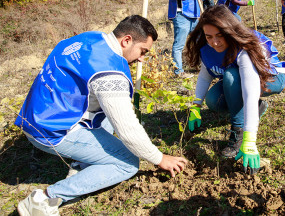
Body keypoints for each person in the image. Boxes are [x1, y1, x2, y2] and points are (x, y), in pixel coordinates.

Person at [15, 15, 188, 216]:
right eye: (143, 51)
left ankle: (82, 164)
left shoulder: (90, 38)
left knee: (109, 111)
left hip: (37, 113)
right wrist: (159, 158)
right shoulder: (109, 73)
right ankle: (44, 199)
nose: (142, 58)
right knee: (127, 162)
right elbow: (128, 129)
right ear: (127, 41)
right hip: (52, 131)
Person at [185, 5, 285, 174]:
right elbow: (205, 75)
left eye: (220, 35)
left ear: (229, 31)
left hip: (271, 78)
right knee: (213, 100)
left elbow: (250, 92)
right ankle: (257, 108)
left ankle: (238, 133)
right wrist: (196, 105)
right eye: (209, 36)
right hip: (238, 77)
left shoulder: (243, 49)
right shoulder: (207, 47)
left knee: (232, 76)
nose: (214, 42)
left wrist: (250, 139)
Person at [168, 0, 209, 78]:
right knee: (179, 45)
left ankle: (205, 67)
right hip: (182, 16)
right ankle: (178, 72)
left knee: (202, 40)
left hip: (193, 17)